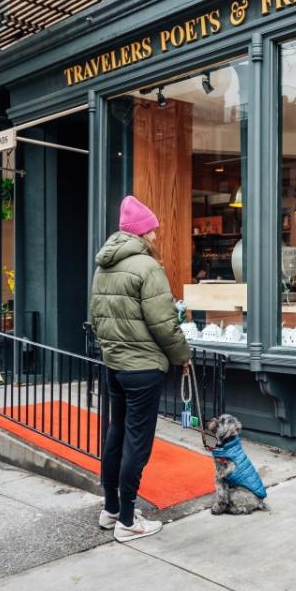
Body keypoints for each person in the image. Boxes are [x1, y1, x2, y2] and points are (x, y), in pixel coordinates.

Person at [90, 195, 191, 542]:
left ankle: (111, 509)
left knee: (116, 434)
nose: (157, 237)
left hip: (115, 366)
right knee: (138, 442)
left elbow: (96, 318)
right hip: (144, 368)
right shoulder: (148, 268)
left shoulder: (103, 266)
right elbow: (165, 323)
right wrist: (182, 355)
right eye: (154, 230)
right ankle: (129, 520)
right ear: (143, 233)